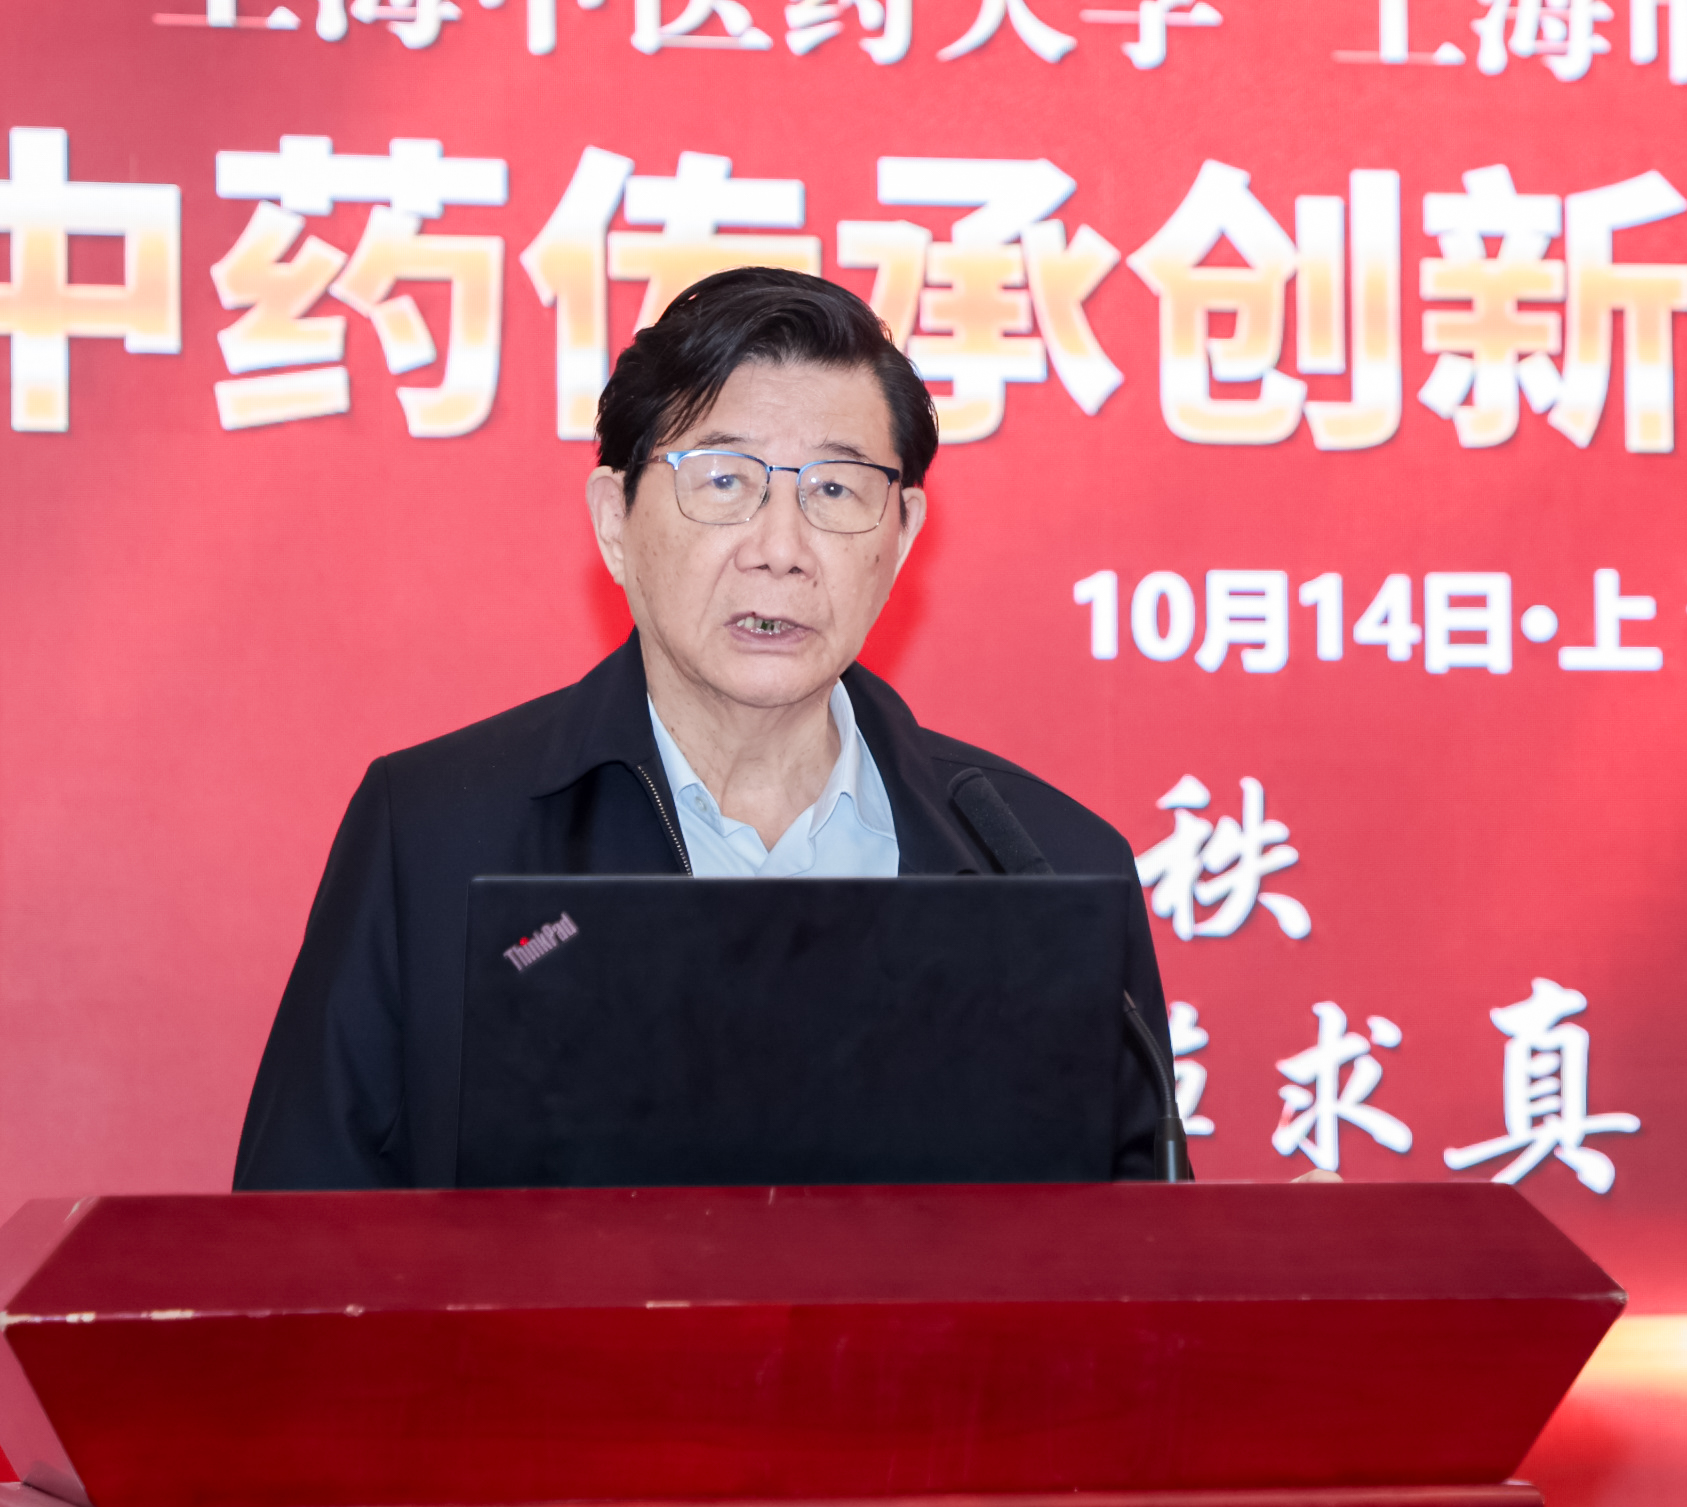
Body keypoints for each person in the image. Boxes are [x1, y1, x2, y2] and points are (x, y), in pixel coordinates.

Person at [233, 267, 1179, 1188]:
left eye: (835, 490)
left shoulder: (1048, 867)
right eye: (724, 481)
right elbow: (295, 1252)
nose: (780, 549)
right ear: (615, 521)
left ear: (901, 536)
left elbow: (1136, 1268)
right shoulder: (436, 839)